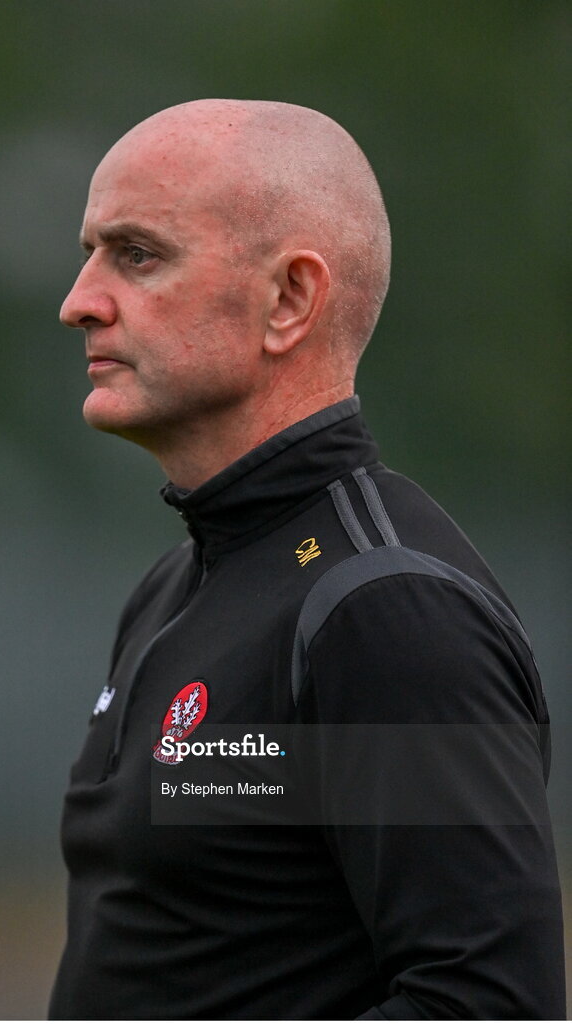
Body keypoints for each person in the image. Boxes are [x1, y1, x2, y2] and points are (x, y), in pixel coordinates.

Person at [49, 99, 565, 1019]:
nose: (79, 300)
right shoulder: (173, 588)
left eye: (136, 255)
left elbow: (485, 1003)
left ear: (289, 300)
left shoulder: (384, 606)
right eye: (90, 253)